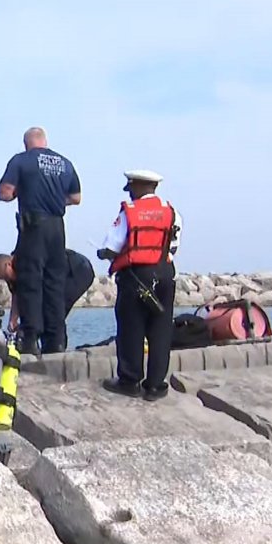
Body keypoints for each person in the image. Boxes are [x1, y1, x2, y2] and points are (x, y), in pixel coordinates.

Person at [95, 170, 181, 401]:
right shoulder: (171, 212)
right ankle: (155, 385)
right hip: (164, 274)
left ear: (137, 187)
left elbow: (112, 248)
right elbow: (173, 246)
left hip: (135, 276)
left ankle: (130, 380)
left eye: (131, 188)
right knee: (161, 328)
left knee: (131, 327)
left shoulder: (129, 213)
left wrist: (102, 253)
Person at [0, 127, 81, 355]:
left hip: (33, 225)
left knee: (31, 280)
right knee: (55, 282)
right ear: (45, 141)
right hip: (57, 227)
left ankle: (30, 337)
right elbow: (76, 197)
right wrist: (54, 199)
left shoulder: (22, 161)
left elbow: (5, 192)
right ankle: (56, 340)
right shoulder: (65, 163)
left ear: (26, 144)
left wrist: (23, 192)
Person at [0, 249, 95, 345]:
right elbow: (16, 292)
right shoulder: (14, 274)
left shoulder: (27, 262)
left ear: (9, 264)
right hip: (58, 276)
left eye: (5, 276)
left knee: (55, 309)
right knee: (47, 311)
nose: (6, 280)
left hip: (77, 269)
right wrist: (13, 319)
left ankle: (57, 345)